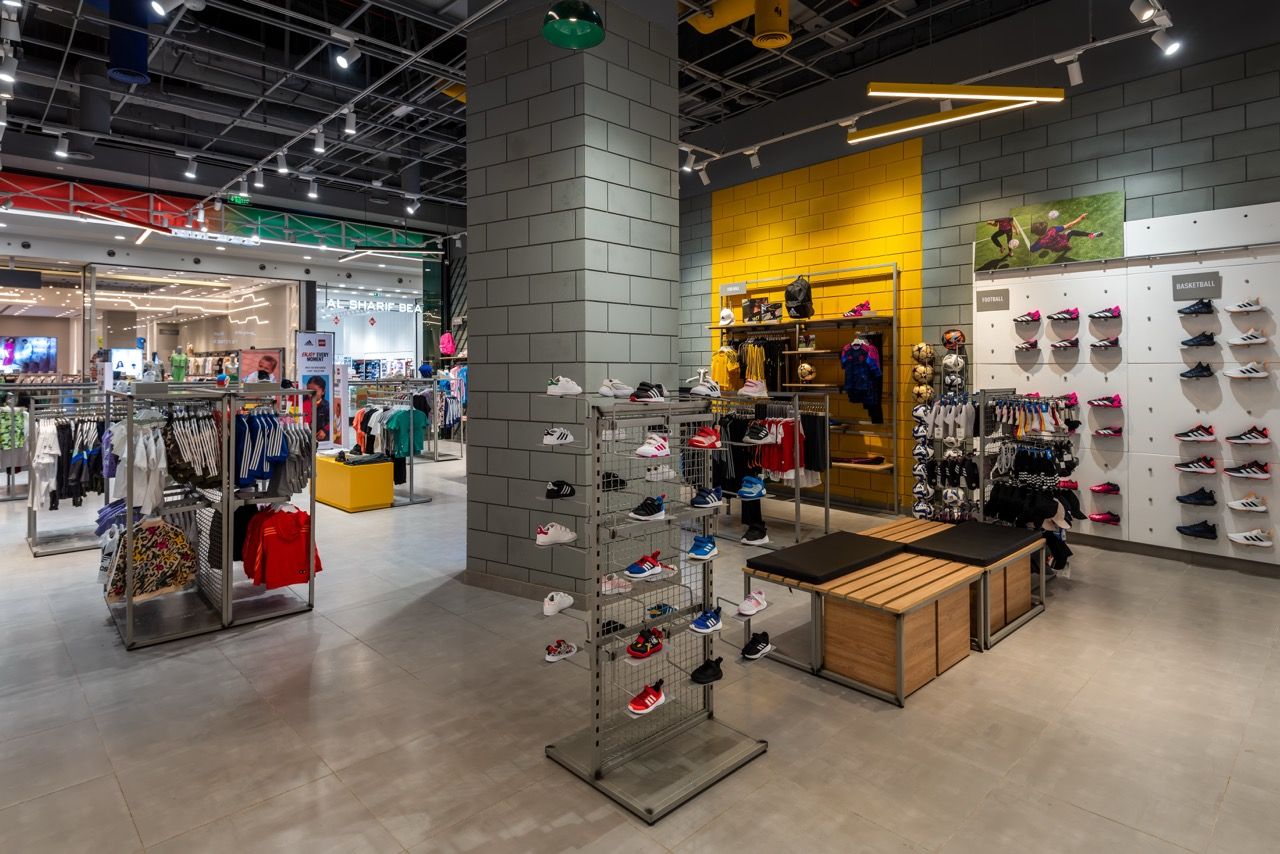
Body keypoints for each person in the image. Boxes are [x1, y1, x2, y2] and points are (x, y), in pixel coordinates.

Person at [1029, 213, 1104, 256]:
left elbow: (1032, 249)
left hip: (1057, 249)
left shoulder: (1041, 243)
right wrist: (1080, 218)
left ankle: (1067, 247)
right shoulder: (1053, 230)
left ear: (1036, 233)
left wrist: (1038, 241)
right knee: (1071, 231)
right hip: (1064, 241)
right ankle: (1091, 235)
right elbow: (1069, 225)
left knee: (1058, 246)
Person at [305, 375, 330, 442]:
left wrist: (325, 431)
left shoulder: (327, 406)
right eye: (308, 390)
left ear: (323, 391)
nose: (310, 394)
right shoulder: (302, 402)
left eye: (314, 391)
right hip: (306, 440)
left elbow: (332, 422)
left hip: (322, 441)